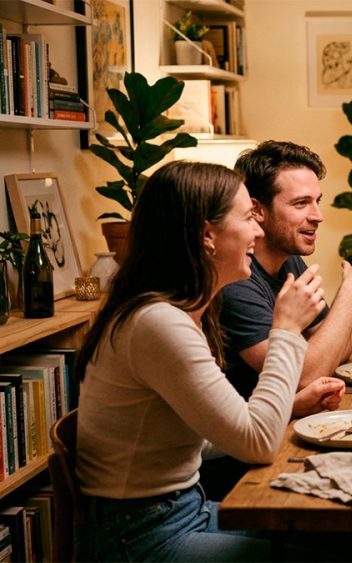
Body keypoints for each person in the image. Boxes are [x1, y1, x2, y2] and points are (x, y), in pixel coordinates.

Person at [73, 161, 327, 561]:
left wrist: (291, 406)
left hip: (184, 510)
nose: (258, 231)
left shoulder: (175, 312)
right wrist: (286, 329)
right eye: (248, 218)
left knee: (350, 534)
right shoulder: (158, 323)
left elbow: (192, 437)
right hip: (141, 537)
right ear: (207, 235)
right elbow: (258, 444)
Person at [202, 140, 352, 500]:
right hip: (239, 470)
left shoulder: (287, 260)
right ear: (257, 211)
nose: (318, 215)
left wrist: (336, 318)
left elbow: (336, 350)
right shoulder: (235, 283)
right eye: (301, 203)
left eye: (317, 201)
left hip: (284, 434)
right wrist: (350, 295)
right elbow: (304, 374)